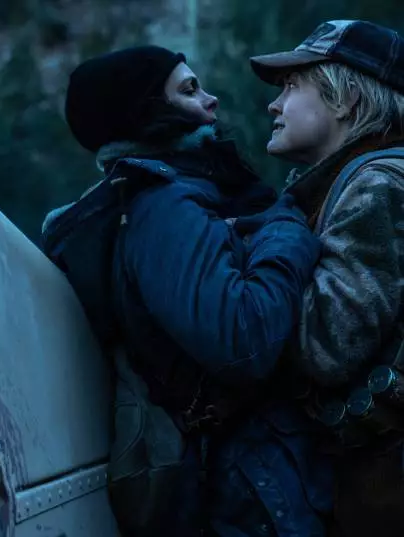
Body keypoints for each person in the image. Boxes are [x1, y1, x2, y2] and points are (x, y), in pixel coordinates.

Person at [42, 46, 328, 536]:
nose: (211, 100)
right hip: (246, 482)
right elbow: (242, 340)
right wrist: (286, 227)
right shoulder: (164, 206)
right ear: (146, 110)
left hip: (249, 473)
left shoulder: (178, 193)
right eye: (190, 90)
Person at [250, 19, 404, 537]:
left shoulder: (376, 185)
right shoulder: (357, 181)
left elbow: (327, 348)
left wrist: (260, 262)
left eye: (292, 87)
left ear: (346, 100)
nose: (274, 105)